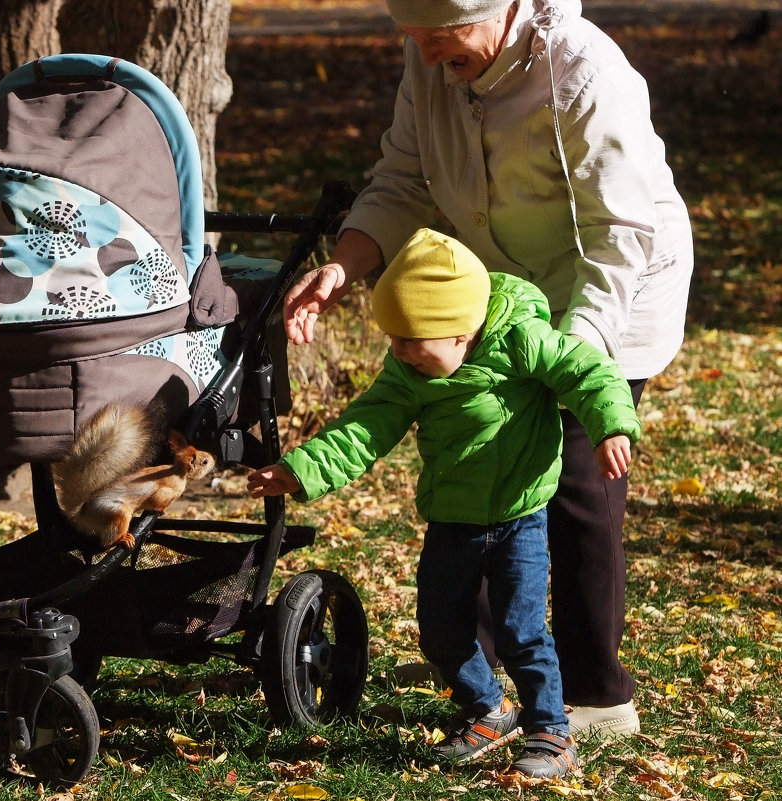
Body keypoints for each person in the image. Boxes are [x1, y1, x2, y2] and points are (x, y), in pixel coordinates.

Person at [281, 0, 693, 739]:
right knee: (477, 446)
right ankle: (476, 655)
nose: (432, 56)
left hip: (608, 284)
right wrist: (344, 266)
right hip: (493, 291)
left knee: (572, 480)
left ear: (500, 8)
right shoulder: (434, 55)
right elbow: (404, 177)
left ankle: (598, 691)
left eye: (445, 37)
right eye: (418, 40)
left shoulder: (583, 71)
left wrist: (570, 363)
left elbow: (617, 234)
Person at [249, 228, 641, 777]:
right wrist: (301, 469)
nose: (401, 353)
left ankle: (551, 732)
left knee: (520, 629)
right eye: (394, 339)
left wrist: (611, 429)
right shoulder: (409, 370)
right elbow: (366, 425)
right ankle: (488, 709)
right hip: (452, 518)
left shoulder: (522, 340)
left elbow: (589, 373)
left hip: (518, 517)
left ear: (463, 333)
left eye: (413, 340)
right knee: (439, 631)